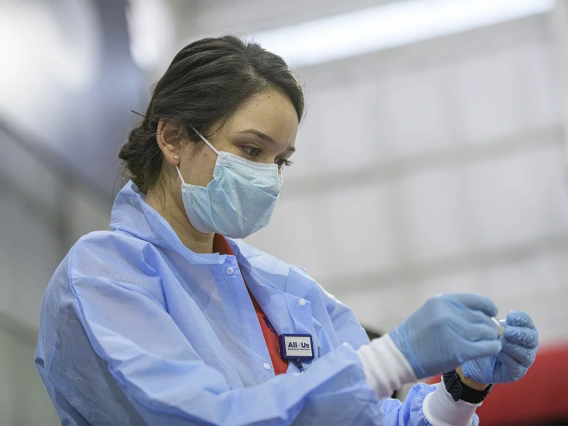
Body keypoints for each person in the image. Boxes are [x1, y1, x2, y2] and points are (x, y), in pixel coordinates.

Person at [35, 35, 539, 426]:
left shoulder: (288, 291)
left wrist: (460, 391)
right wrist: (392, 358)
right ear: (172, 137)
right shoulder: (104, 280)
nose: (268, 177)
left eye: (282, 161)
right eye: (252, 150)